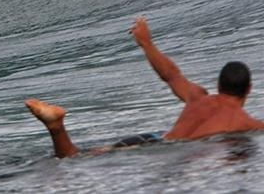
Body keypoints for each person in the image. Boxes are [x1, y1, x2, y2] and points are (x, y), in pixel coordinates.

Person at [25, 16, 264, 158]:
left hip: (151, 139)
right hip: (166, 151)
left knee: (75, 157)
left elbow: (171, 75)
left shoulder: (199, 97)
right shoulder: (247, 124)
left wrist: (145, 42)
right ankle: (56, 126)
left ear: (219, 85)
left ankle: (56, 126)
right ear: (249, 88)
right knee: (74, 160)